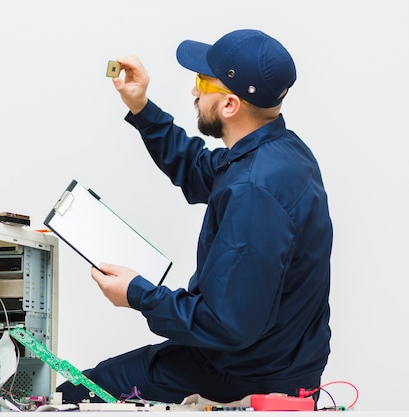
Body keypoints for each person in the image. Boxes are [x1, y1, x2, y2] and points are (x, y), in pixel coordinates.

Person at [57, 29, 332, 406]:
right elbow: (198, 169)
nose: (194, 92)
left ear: (230, 105)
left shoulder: (254, 191)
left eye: (202, 82)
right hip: (270, 358)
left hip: (243, 371)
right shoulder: (279, 153)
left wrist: (137, 294)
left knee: (78, 393)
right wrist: (141, 106)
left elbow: (226, 324)